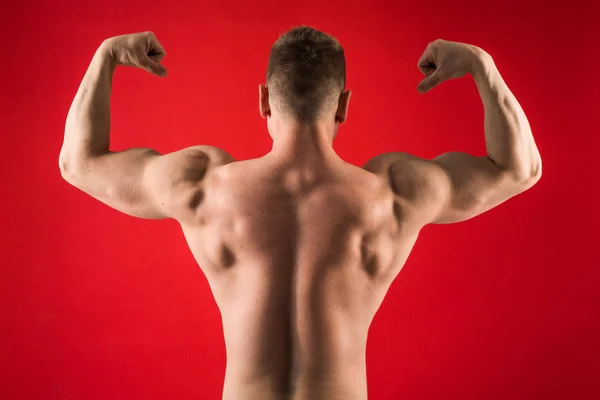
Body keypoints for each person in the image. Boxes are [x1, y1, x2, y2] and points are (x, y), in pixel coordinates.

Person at [59, 26, 542, 400]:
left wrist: (105, 57)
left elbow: (78, 163)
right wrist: (483, 66)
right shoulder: (391, 194)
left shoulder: (204, 185)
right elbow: (519, 169)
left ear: (265, 100)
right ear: (344, 106)